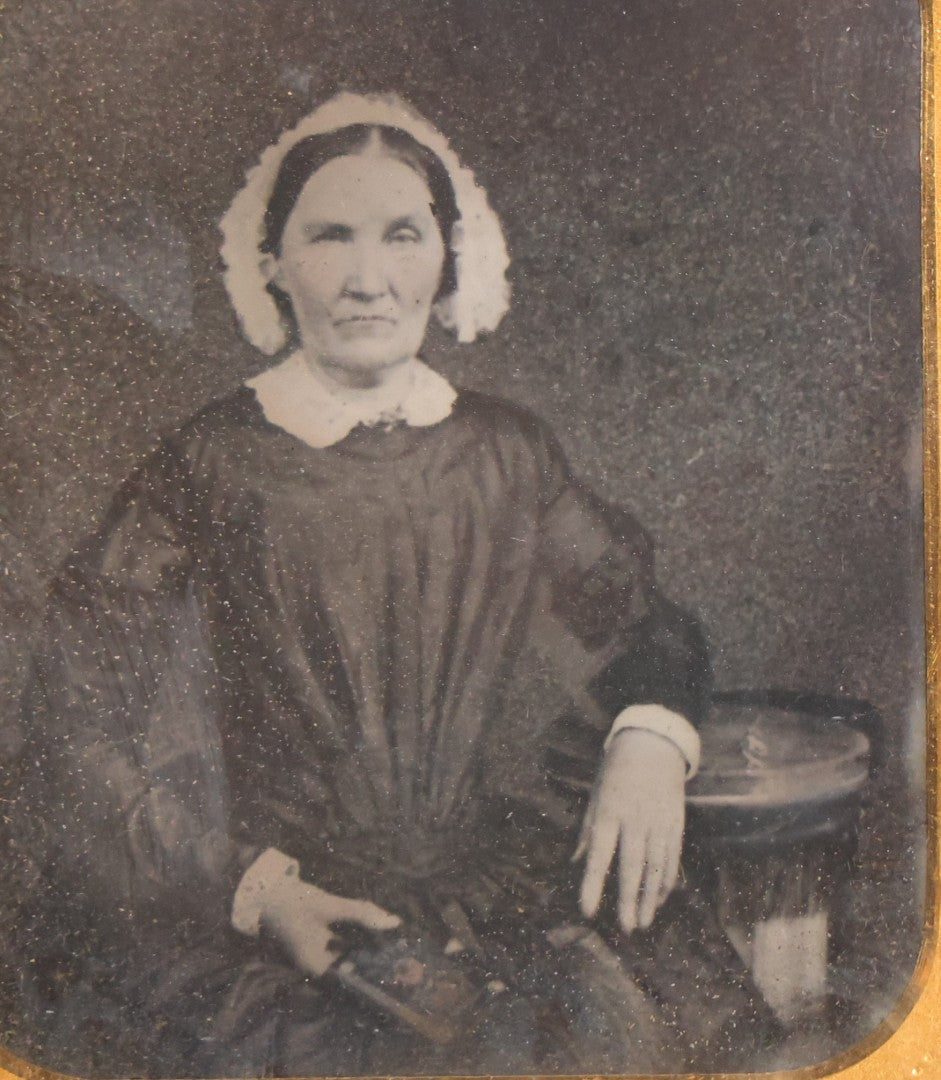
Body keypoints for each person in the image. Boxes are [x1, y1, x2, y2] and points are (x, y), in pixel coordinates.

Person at [10, 93, 773, 1076]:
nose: (367, 279)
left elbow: (645, 629)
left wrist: (648, 742)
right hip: (285, 915)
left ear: (445, 258)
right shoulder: (207, 461)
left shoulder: (507, 453)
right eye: (329, 236)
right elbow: (71, 724)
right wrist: (257, 892)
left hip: (492, 885)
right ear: (273, 263)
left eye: (401, 235)